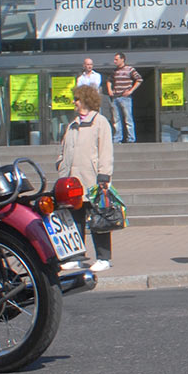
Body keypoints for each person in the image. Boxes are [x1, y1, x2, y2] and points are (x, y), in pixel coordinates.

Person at [58, 84, 113, 272]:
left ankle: (104, 258)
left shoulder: (100, 122)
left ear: (86, 100)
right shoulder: (72, 124)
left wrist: (104, 175)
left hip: (92, 180)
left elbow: (106, 150)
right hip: (72, 182)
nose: (74, 102)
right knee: (74, 221)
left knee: (99, 219)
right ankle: (76, 256)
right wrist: (60, 164)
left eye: (77, 99)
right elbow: (64, 148)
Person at [107, 53, 141, 143]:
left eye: (116, 59)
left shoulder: (130, 69)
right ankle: (117, 139)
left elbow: (139, 79)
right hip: (116, 97)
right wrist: (110, 90)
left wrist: (131, 91)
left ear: (122, 59)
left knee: (128, 119)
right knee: (116, 120)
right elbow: (109, 80)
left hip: (125, 98)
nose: (115, 61)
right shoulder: (114, 71)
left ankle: (131, 139)